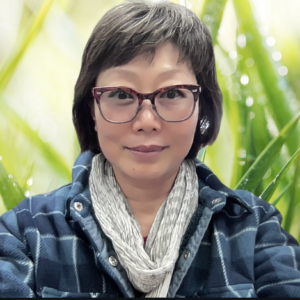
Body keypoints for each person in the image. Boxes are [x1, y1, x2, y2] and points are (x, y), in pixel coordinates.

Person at [1, 0, 300, 297]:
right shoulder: (25, 234)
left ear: (202, 107)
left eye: (172, 93)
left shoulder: (254, 229)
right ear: (91, 108)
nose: (146, 121)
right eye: (120, 94)